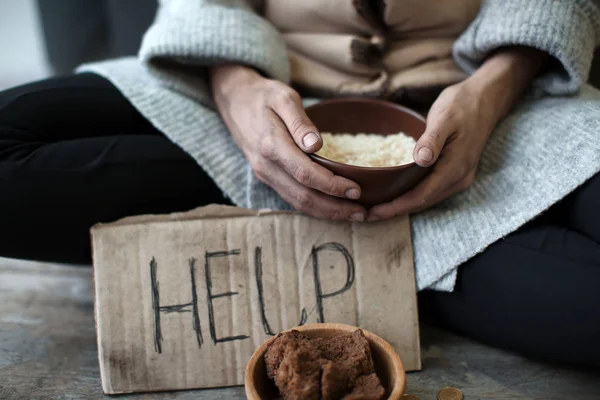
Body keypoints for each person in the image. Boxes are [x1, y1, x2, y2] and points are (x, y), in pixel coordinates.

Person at [1, 0, 599, 367]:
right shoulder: (239, 92)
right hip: (253, 96)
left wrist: (491, 92)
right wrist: (235, 88)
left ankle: (374, 262)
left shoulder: (491, 100)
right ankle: (406, 264)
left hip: (489, 104)